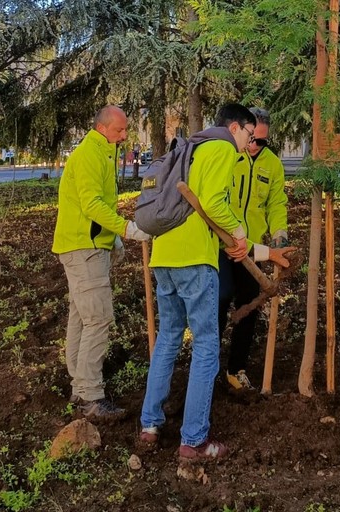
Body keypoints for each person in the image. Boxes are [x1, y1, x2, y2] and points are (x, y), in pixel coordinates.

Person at [138, 104, 257, 462]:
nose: (249, 143)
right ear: (234, 128)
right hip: (194, 259)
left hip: (164, 256)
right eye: (250, 135)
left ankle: (149, 426)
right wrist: (240, 233)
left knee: (169, 339)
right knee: (206, 345)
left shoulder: (192, 146)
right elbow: (214, 204)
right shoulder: (221, 148)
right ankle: (194, 441)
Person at [52, 105, 150, 423]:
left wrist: (113, 239)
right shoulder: (90, 155)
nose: (124, 136)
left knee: (82, 317)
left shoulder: (99, 152)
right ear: (102, 127)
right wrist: (125, 228)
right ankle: (90, 396)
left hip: (86, 244)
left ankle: (80, 387)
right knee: (98, 319)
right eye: (120, 130)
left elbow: (99, 203)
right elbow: (92, 204)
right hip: (85, 248)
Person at [218, 107, 289, 391]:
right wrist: (230, 238)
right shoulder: (228, 157)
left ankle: (236, 370)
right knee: (219, 303)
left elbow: (276, 203)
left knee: (248, 310)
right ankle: (208, 366)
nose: (255, 145)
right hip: (224, 248)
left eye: (262, 141)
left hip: (253, 251)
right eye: (252, 139)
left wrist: (280, 233)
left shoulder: (272, 164)